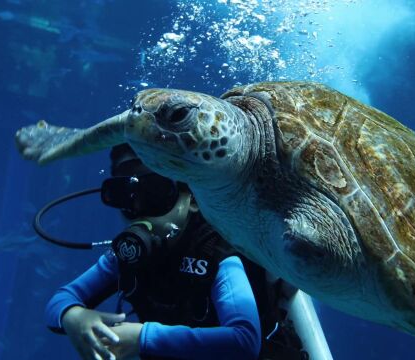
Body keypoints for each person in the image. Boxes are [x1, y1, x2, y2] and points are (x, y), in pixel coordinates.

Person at [45, 144, 307, 360]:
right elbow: (63, 298)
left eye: (156, 194)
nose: (140, 210)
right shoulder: (128, 255)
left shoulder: (217, 251)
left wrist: (142, 337)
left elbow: (244, 340)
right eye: (126, 198)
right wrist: (74, 316)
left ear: (192, 198)